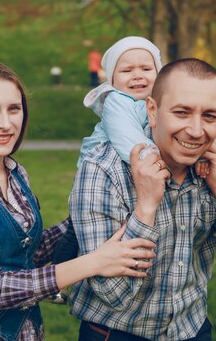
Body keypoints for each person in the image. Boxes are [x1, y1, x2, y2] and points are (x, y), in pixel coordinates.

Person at [0, 60, 157, 341]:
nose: (5, 123)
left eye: (13, 109)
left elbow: (28, 255)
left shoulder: (16, 174)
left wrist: (87, 215)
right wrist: (93, 262)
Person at [69, 58, 216, 340]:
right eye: (182, 112)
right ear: (152, 111)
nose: (195, 130)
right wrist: (146, 208)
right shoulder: (103, 168)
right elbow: (111, 293)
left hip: (191, 329)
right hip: (115, 333)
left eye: (209, 116)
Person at [52, 36, 163, 265]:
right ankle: (58, 273)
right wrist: (157, 161)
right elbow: (128, 140)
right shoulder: (117, 101)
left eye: (146, 68)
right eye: (127, 70)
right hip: (95, 177)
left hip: (127, 175)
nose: (138, 75)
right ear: (112, 79)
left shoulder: (158, 102)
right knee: (77, 230)